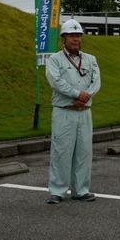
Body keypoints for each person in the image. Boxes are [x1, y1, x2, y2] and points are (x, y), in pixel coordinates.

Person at [45, 19, 101, 204]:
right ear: (64, 38)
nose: (76, 39)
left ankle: (81, 190)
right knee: (61, 151)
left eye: (78, 35)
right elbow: (56, 81)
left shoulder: (90, 59)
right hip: (64, 111)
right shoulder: (54, 59)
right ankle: (57, 190)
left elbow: (96, 81)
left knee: (84, 152)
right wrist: (77, 94)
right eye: (72, 35)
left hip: (84, 112)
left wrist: (87, 96)